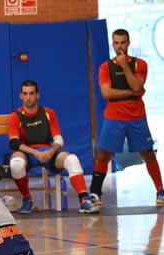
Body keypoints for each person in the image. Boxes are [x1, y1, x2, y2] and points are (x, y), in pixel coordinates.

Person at [90, 29, 164, 206]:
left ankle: (160, 191)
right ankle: (95, 193)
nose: (120, 46)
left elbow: (137, 85)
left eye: (123, 42)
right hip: (114, 116)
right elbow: (107, 92)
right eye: (116, 43)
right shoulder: (105, 67)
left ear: (128, 43)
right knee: (103, 154)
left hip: (136, 116)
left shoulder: (139, 64)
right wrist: (132, 93)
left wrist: (125, 67)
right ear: (113, 44)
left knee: (148, 153)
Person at [8, 80, 99, 215]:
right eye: (25, 94)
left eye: (31, 93)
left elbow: (59, 140)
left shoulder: (48, 113)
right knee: (16, 163)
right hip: (27, 152)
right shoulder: (15, 116)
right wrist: (35, 153)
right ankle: (27, 199)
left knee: (72, 159)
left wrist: (51, 151)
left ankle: (84, 199)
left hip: (47, 152)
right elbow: (14, 143)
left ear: (37, 95)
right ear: (20, 96)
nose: (28, 97)